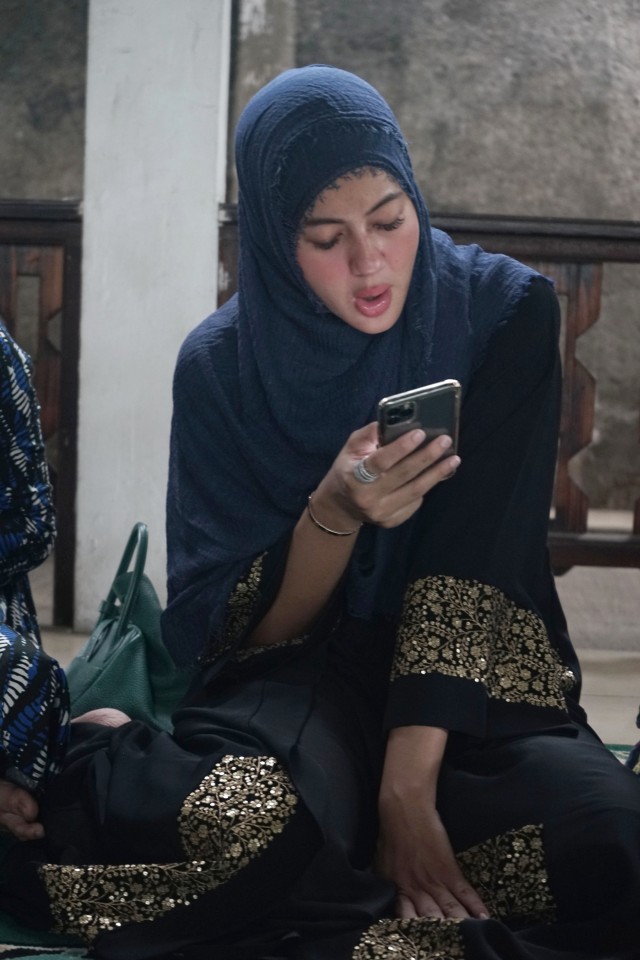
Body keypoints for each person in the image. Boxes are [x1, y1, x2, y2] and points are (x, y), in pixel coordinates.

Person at [1, 65, 639, 960]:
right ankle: (107, 757)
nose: (369, 262)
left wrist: (405, 794)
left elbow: (474, 563)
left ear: (416, 197)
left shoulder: (503, 316)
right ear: (271, 239)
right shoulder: (220, 369)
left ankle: (325, 909)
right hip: (303, 689)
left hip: (469, 689)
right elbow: (241, 638)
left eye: (389, 219)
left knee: (613, 846)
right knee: (247, 825)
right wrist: (333, 511)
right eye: (325, 236)